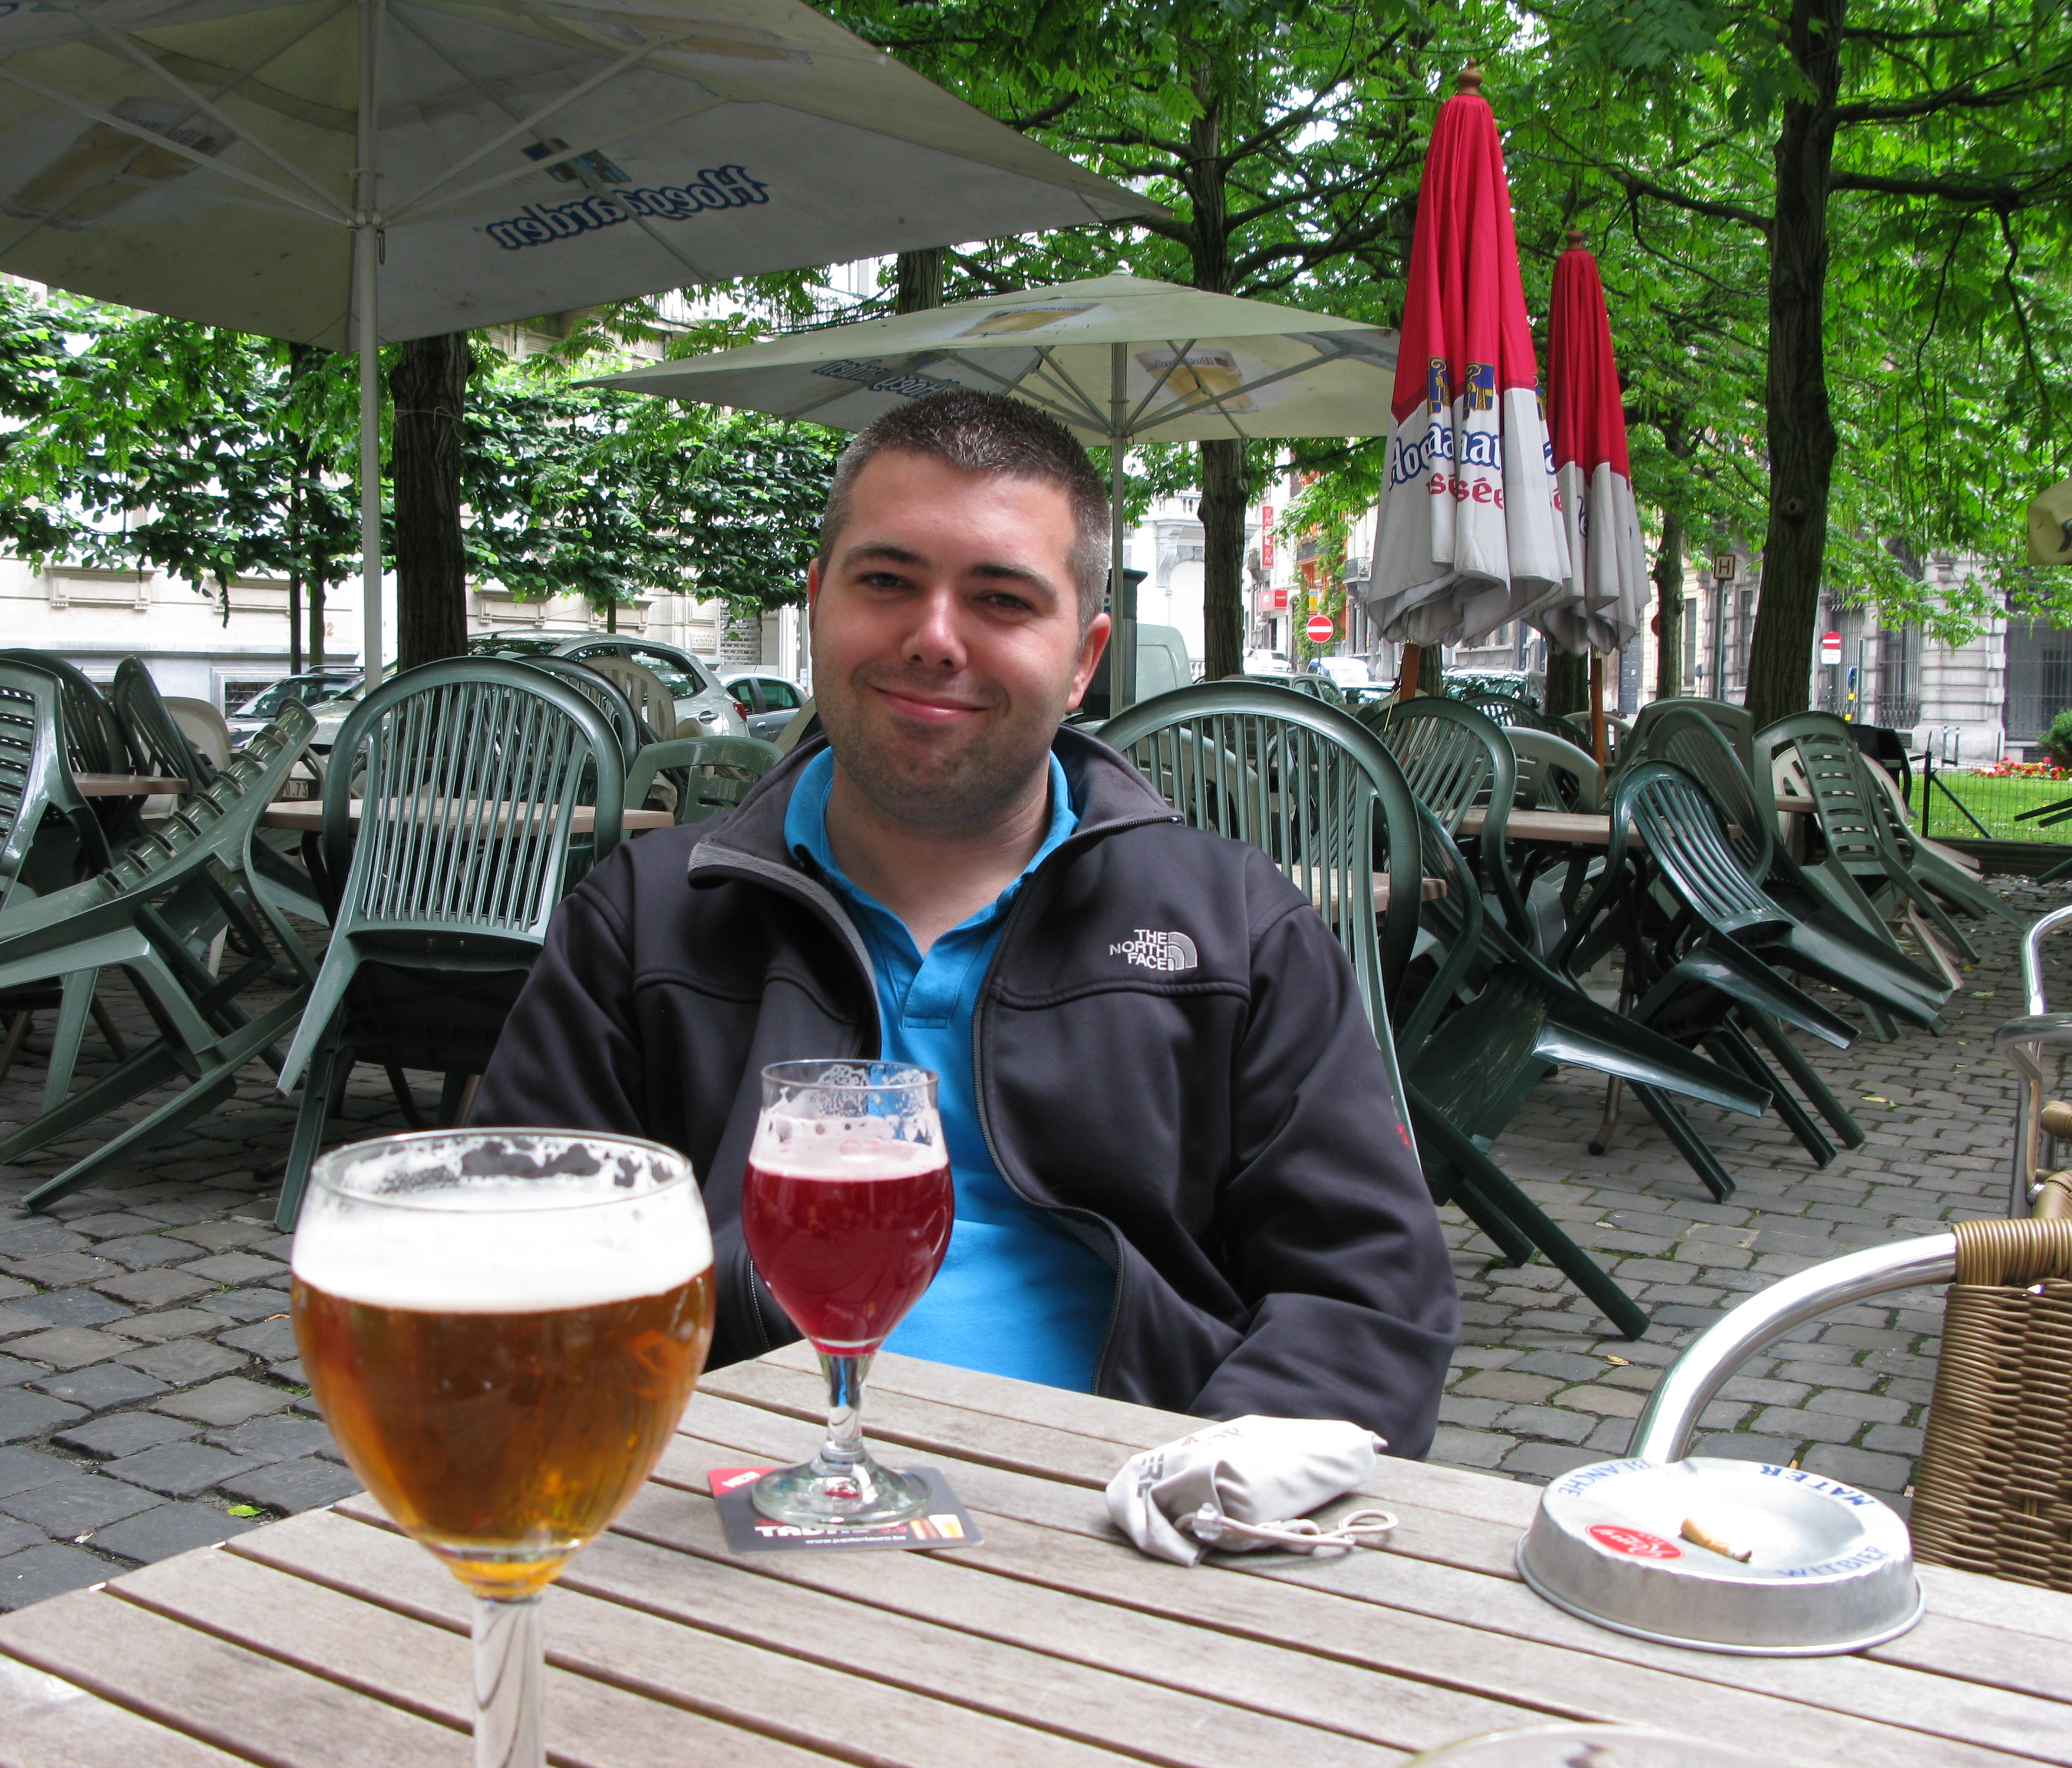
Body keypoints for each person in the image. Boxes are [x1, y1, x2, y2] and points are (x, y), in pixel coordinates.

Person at [472, 391, 1459, 1453]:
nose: (935, 638)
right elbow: (515, 1259)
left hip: (1130, 1503)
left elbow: (1366, 1296)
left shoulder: (1235, 928)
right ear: (818, 601)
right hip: (734, 1490)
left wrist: (1198, 1496)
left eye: (1001, 600)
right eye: (887, 582)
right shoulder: (647, 918)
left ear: (1083, 660)